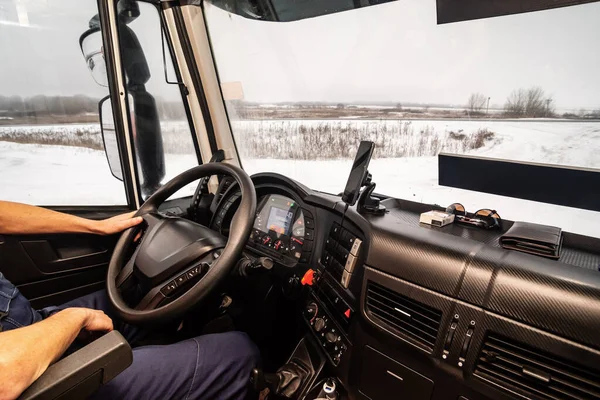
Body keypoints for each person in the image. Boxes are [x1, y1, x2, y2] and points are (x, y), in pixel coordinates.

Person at [0, 200, 260, 400]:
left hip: (25, 331)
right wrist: (73, 319)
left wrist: (97, 226)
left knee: (131, 301)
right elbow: (5, 379)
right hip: (40, 381)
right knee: (238, 353)